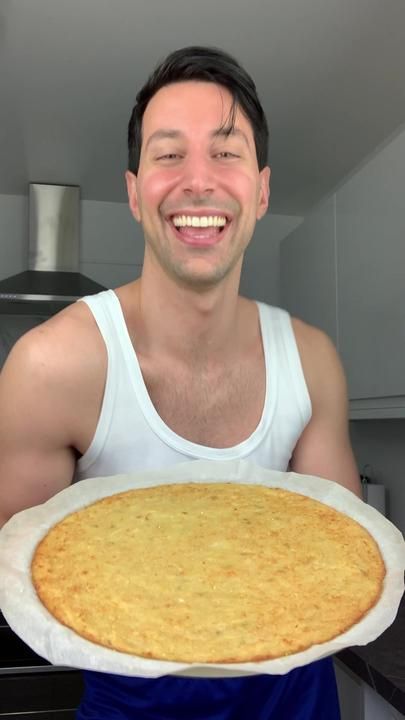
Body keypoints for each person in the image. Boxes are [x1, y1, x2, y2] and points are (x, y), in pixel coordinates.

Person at [0, 46, 361, 719]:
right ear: (135, 192)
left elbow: (335, 570)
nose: (198, 180)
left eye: (225, 152)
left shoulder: (311, 362)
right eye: (169, 154)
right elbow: (21, 578)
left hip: (296, 703)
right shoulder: (52, 367)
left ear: (260, 189)